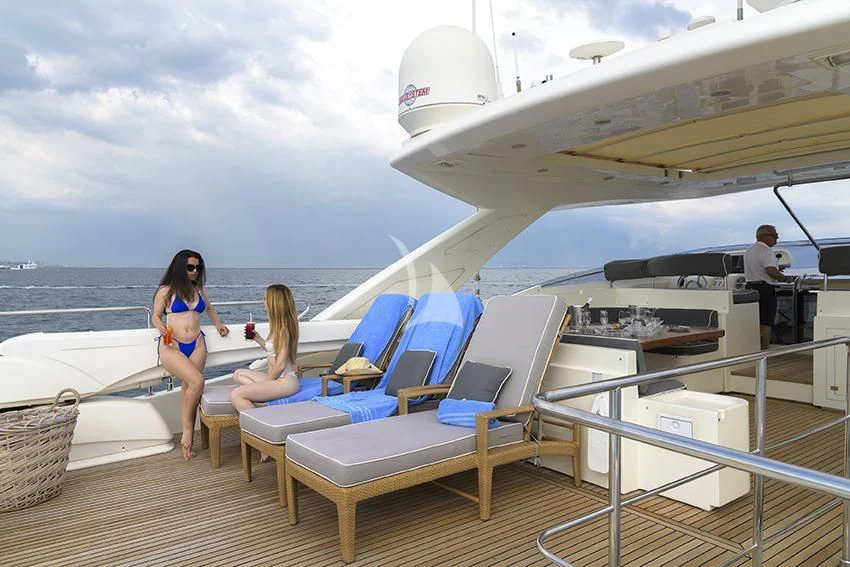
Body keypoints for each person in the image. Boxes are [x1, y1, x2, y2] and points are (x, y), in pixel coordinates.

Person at [152, 249, 230, 460]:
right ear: (180, 268)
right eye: (190, 267)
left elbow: (210, 309)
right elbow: (156, 316)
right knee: (197, 382)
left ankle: (187, 442)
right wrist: (160, 328)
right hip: (173, 345)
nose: (195, 271)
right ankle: (188, 433)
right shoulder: (166, 290)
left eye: (198, 267)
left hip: (197, 344)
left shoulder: (199, 289)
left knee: (190, 387)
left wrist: (218, 324)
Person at [229, 284, 301, 414]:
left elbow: (280, 366)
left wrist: (265, 383)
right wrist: (259, 339)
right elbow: (273, 351)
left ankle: (259, 426)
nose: (263, 302)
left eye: (265, 299)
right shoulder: (277, 327)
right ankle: (260, 396)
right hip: (278, 379)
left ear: (273, 303)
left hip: (285, 381)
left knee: (236, 395)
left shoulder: (283, 330)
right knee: (238, 374)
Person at [744, 225, 792, 350]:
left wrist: (776, 269)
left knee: (754, 321)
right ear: (763, 236)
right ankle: (764, 351)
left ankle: (754, 349)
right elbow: (770, 270)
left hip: (750, 288)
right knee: (766, 322)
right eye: (774, 236)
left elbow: (758, 268)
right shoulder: (766, 251)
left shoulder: (749, 250)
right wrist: (784, 278)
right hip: (765, 289)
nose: (777, 239)